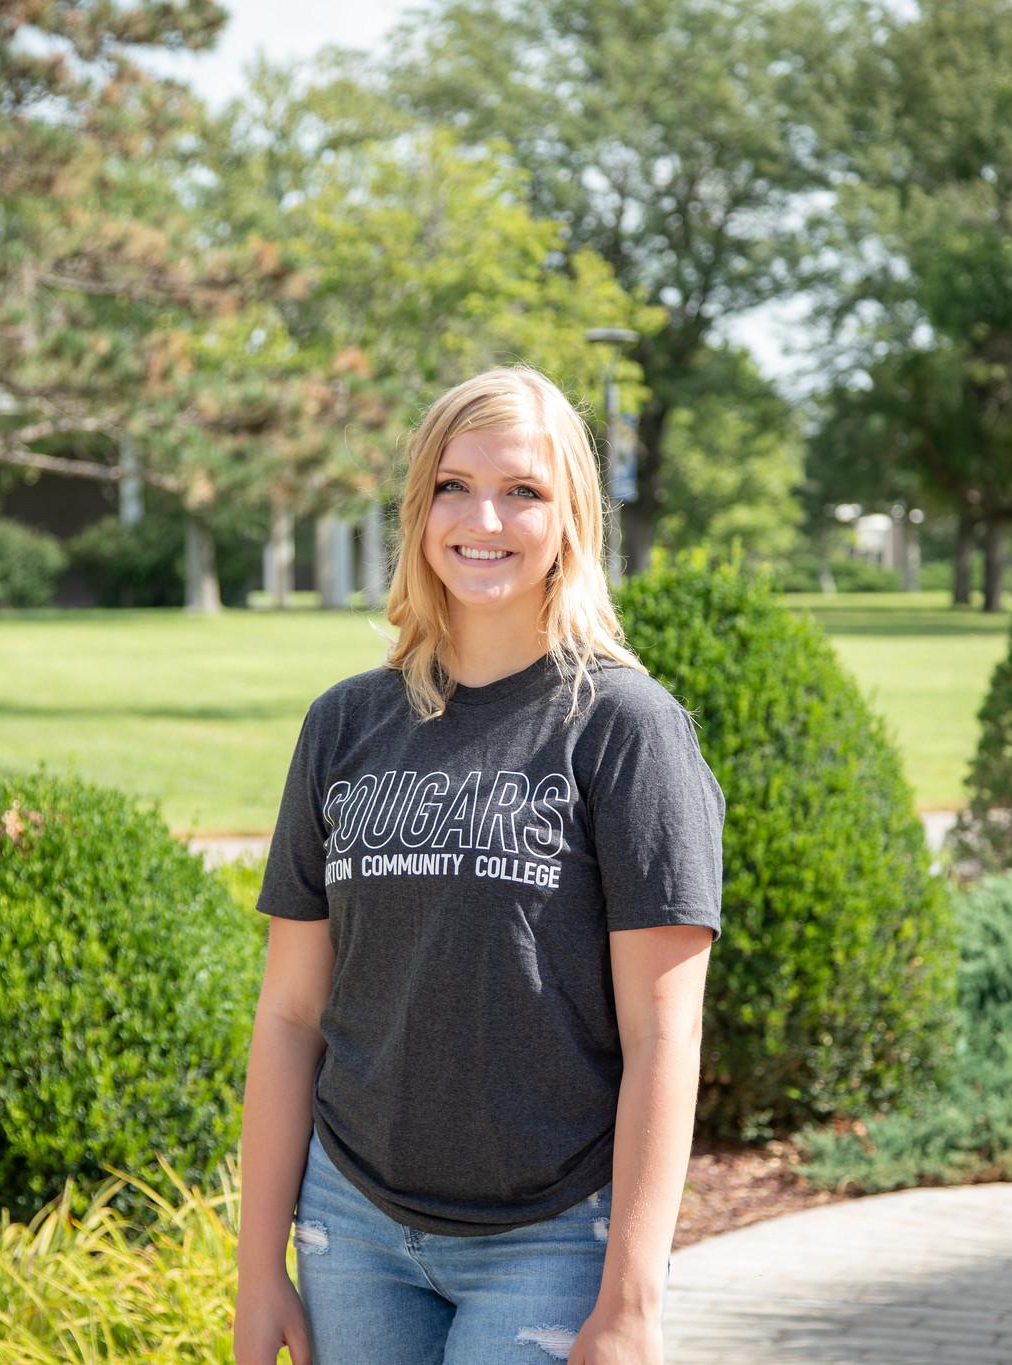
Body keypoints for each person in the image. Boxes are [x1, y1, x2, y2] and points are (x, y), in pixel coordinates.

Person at [232, 365, 725, 1365]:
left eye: (522, 491)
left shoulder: (626, 731)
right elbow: (288, 1014)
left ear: (570, 518)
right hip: (350, 1223)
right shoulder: (344, 725)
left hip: (548, 1237)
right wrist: (256, 1272)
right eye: (452, 486)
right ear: (419, 511)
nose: (482, 517)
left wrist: (630, 1305)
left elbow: (663, 1034)